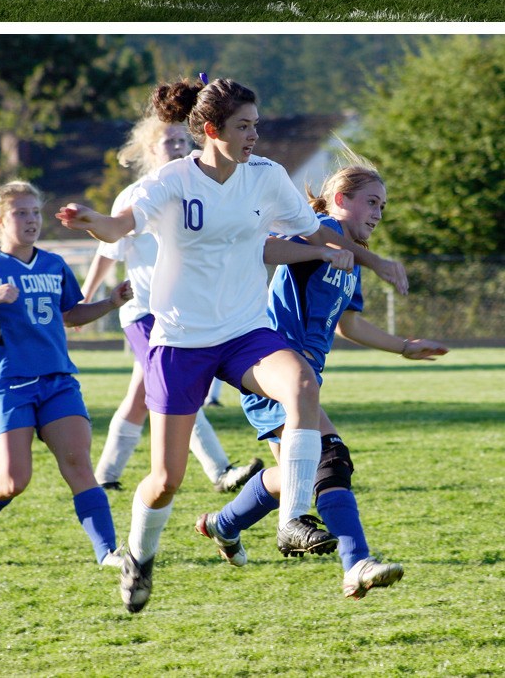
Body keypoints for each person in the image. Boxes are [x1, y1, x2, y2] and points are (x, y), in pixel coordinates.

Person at [56, 74, 402, 615]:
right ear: (212, 131)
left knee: (302, 384)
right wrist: (90, 220)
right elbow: (117, 225)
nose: (254, 136)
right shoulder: (171, 181)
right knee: (165, 481)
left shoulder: (266, 176)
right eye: (244, 126)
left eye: (256, 125)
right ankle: (139, 558)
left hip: (244, 332)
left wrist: (373, 260)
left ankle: (292, 519)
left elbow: (314, 232)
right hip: (181, 340)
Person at [197, 157, 447, 599]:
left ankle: (224, 523)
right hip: (271, 370)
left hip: (302, 379)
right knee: (331, 460)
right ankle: (357, 563)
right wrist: (329, 252)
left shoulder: (348, 257)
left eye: (383, 206)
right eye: (372, 202)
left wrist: (404, 346)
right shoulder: (320, 229)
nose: (378, 213)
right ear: (340, 199)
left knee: (294, 474)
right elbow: (267, 246)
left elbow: (348, 324)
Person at [0, 172, 128, 572]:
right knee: (13, 480)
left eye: (35, 212)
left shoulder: (55, 264)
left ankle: (108, 553)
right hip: (7, 385)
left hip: (57, 380)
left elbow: (70, 314)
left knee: (79, 465)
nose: (31, 220)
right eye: (20, 213)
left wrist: (111, 303)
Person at [82, 84, 264, 493]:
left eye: (182, 140)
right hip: (145, 312)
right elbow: (109, 250)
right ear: (151, 151)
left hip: (182, 311)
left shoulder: (196, 185)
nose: (178, 147)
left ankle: (105, 475)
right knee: (176, 394)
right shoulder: (137, 194)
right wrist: (87, 297)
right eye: (168, 141)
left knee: (142, 395)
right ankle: (220, 471)